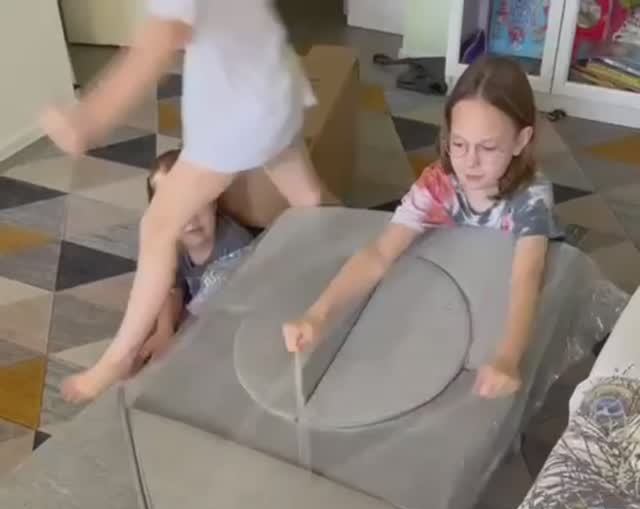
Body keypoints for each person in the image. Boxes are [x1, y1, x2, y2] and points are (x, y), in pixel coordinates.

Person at [40, 0, 325, 402]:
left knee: (158, 227)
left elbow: (162, 36)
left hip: (240, 112)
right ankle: (335, 283)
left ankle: (118, 357)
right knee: (309, 200)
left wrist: (89, 120)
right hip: (276, 88)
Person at [283, 55, 563, 399]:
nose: (470, 162)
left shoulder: (531, 196)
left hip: (505, 302)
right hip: (454, 294)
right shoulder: (438, 186)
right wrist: (317, 316)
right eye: (458, 144)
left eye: (488, 147)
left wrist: (507, 357)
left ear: (521, 141)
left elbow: (526, 278)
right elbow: (379, 253)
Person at [131, 148, 255, 373]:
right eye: (173, 206)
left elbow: (209, 320)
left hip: (229, 326)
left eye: (196, 202)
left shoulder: (235, 249)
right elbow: (169, 285)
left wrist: (171, 341)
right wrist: (164, 330)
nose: (189, 217)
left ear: (214, 201)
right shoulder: (171, 241)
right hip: (199, 314)